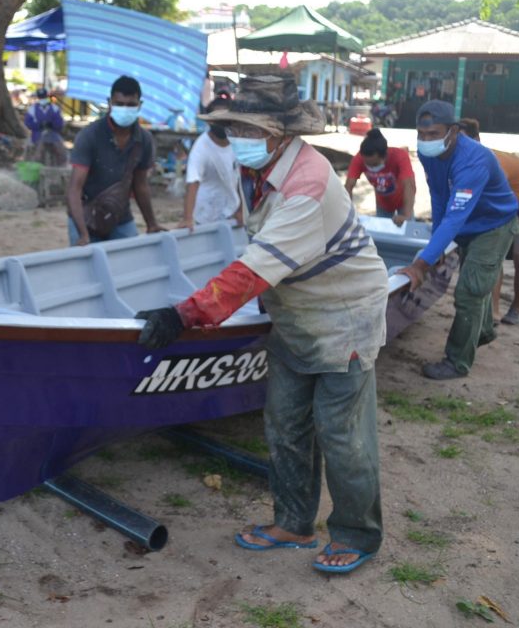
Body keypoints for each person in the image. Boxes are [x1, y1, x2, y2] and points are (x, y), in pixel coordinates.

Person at [136, 75, 389, 574]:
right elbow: (256, 251)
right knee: (286, 424)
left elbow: (251, 271)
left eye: (248, 129)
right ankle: (294, 523)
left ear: (279, 134)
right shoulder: (256, 170)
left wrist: (183, 314)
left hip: (344, 314)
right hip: (295, 311)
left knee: (341, 434)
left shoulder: (307, 184)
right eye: (233, 127)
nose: (238, 137)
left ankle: (358, 535)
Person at [397, 101, 519, 381]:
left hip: (493, 225)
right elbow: (439, 197)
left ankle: (457, 362)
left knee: (469, 291)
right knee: (476, 286)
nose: (426, 141)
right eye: (421, 134)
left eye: (433, 134)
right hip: (467, 225)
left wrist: (421, 264)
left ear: (453, 131)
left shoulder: (475, 159)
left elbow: (455, 215)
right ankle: (483, 331)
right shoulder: (429, 154)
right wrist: (435, 245)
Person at [458, 118, 519, 326]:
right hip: (505, 205)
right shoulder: (461, 162)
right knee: (493, 254)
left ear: (477, 140)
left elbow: (483, 198)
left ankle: (516, 307)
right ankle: (493, 311)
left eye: (464, 141)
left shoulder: (494, 162)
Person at [66, 75, 166, 245]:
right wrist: (83, 235)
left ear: (139, 105)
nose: (124, 109)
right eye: (119, 104)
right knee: (86, 268)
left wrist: (152, 224)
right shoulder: (90, 136)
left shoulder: (144, 140)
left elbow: (140, 185)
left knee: (129, 264)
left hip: (120, 217)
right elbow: (75, 189)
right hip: (85, 217)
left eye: (131, 105)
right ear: (110, 103)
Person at [178, 97, 242, 231]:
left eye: (226, 119)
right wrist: (188, 218)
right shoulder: (201, 148)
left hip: (232, 212)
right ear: (210, 121)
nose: (222, 124)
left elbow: (243, 179)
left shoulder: (239, 144)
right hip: (205, 216)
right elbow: (193, 183)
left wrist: (242, 210)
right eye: (218, 120)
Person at [344, 128, 416, 224]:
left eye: (374, 164)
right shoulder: (359, 159)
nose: (370, 167)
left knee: (408, 230)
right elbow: (349, 185)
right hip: (383, 204)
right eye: (367, 164)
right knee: (383, 232)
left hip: (404, 202)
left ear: (385, 156)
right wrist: (348, 214)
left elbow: (409, 184)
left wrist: (406, 216)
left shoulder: (400, 156)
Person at [23, 87, 66, 166]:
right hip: (38, 133)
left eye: (44, 97)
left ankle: (61, 166)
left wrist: (52, 124)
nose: (42, 99)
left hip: (52, 133)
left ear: (47, 96)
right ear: (38, 98)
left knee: (61, 150)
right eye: (40, 97)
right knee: (39, 147)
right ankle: (37, 164)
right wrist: (38, 125)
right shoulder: (32, 109)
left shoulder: (54, 108)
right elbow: (27, 122)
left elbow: (60, 122)